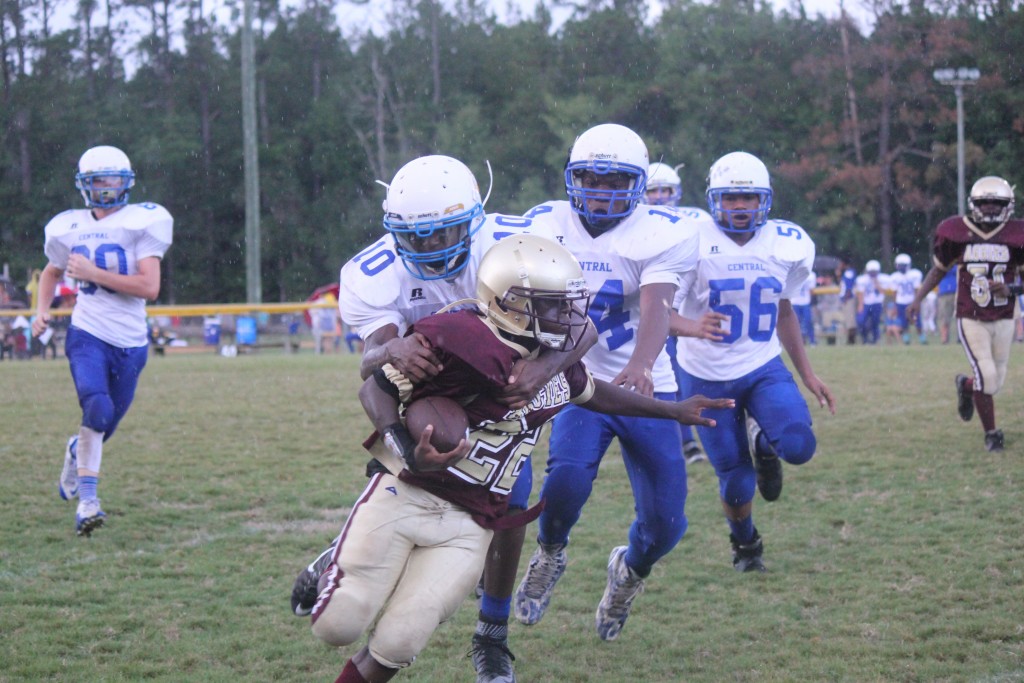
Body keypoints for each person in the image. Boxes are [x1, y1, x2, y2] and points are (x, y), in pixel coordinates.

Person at [310, 234, 732, 683]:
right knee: (339, 624)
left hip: (474, 521)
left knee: (400, 642)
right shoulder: (456, 335)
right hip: (408, 492)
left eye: (567, 303)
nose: (566, 315)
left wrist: (673, 410)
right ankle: (332, 564)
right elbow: (374, 388)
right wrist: (407, 450)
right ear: (508, 302)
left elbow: (594, 392)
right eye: (552, 305)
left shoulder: (556, 363)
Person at [289, 155, 596, 683]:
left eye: (442, 234)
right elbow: (371, 368)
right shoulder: (374, 270)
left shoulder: (518, 239)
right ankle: (343, 558)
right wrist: (395, 350)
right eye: (416, 237)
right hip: (431, 398)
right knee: (397, 481)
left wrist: (541, 369)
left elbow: (581, 326)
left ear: (475, 218)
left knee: (509, 499)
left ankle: (492, 635)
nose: (430, 248)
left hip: (505, 393)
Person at [513, 123, 708, 641]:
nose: (599, 191)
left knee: (667, 524)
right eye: (590, 179)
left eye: (614, 180)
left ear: (639, 184)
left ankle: (629, 572)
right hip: (582, 383)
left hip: (646, 386)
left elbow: (657, 305)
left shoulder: (663, 230)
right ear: (572, 178)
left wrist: (643, 363)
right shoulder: (543, 222)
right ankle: (550, 553)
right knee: (565, 485)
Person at [671, 151, 836, 572]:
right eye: (731, 198)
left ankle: (766, 446)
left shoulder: (788, 243)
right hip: (705, 376)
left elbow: (784, 312)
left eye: (749, 198)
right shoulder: (690, 240)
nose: (741, 207)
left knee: (798, 446)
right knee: (736, 479)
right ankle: (745, 545)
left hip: (762, 366)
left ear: (765, 199)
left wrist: (809, 374)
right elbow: (659, 314)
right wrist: (693, 327)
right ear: (714, 199)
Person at [31, 145, 173, 536]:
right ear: (85, 185)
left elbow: (149, 286)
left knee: (104, 422)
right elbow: (50, 273)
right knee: (96, 406)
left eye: (112, 179)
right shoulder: (68, 226)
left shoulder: (142, 220)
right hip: (86, 333)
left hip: (131, 340)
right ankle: (88, 502)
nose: (106, 188)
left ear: (126, 182)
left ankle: (79, 451)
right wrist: (41, 311)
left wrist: (93, 272)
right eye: (98, 180)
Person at [908, 175, 1024, 453]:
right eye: (985, 203)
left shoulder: (1017, 234)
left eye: (997, 204)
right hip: (970, 314)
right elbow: (938, 269)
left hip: (1006, 315)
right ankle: (992, 434)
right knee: (988, 375)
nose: (991, 209)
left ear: (1008, 205)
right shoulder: (955, 231)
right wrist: (917, 299)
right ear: (974, 204)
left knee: (994, 381)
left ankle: (966, 385)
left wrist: (1009, 289)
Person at [646, 160, 706, 464]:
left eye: (665, 190)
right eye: (653, 190)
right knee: (666, 377)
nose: (659, 196)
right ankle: (684, 441)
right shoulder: (637, 224)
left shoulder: (697, 222)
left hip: (691, 308)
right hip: (657, 312)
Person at [889, 253, 925, 344]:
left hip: (912, 301)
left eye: (902, 265)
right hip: (901, 302)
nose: (900, 267)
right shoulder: (895, 276)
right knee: (903, 322)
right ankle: (906, 339)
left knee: (917, 321)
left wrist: (917, 302)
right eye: (899, 265)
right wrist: (895, 305)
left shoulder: (914, 274)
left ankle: (922, 338)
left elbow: (917, 290)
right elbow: (894, 292)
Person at [854, 259, 886, 344]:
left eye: (874, 272)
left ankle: (875, 340)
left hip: (877, 303)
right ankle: (865, 339)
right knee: (860, 321)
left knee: (875, 323)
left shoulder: (882, 278)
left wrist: (877, 283)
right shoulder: (862, 279)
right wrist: (860, 305)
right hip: (866, 303)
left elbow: (883, 292)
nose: (873, 274)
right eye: (871, 272)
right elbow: (860, 292)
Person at [790, 269, 817, 345]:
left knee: (808, 321)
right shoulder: (793, 273)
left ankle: (812, 340)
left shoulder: (811, 275)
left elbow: (811, 290)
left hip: (805, 302)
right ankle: (796, 342)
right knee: (795, 323)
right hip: (795, 301)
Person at [936, 266, 959, 344]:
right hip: (944, 293)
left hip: (957, 292)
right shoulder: (943, 263)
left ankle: (960, 337)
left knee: (960, 317)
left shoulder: (958, 264)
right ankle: (944, 338)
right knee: (944, 318)